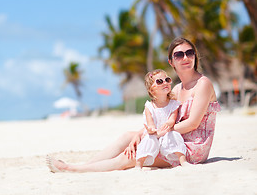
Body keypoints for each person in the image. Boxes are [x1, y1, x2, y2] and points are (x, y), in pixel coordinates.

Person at [47, 37, 221, 172]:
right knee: (128, 137)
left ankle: (73, 169)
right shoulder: (175, 89)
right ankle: (87, 165)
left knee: (131, 156)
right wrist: (141, 134)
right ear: (171, 61)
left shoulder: (202, 84)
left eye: (189, 53)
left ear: (194, 56)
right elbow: (163, 119)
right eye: (179, 54)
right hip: (173, 138)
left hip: (192, 148)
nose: (185, 58)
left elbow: (193, 124)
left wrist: (151, 136)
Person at [134, 69, 188, 169]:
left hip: (167, 132)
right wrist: (152, 130)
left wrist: (167, 126)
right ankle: (139, 165)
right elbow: (150, 124)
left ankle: (183, 161)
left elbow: (171, 120)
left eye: (167, 80)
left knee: (174, 135)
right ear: (151, 89)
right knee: (148, 139)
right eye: (159, 81)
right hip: (154, 133)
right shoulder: (149, 106)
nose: (165, 83)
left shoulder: (173, 104)